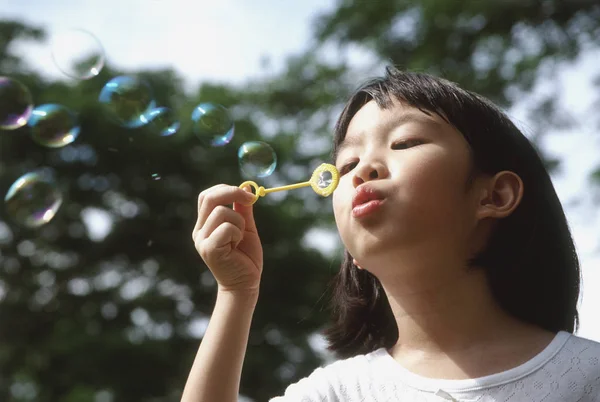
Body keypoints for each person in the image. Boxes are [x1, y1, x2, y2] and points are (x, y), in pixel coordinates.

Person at [182, 67, 600, 402]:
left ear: (494, 195)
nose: (364, 169)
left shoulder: (588, 376)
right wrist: (236, 293)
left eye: (405, 141)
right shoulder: (336, 394)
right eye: (347, 166)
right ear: (354, 256)